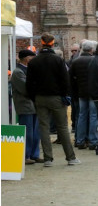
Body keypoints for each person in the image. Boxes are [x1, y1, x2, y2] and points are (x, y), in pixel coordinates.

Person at [26, 32, 81, 167]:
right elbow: (65, 80)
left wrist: (34, 97)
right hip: (56, 97)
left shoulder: (34, 61)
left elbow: (29, 83)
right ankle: (70, 157)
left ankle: (48, 159)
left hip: (40, 98)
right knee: (62, 127)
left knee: (43, 128)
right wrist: (65, 95)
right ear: (52, 43)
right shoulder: (57, 60)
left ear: (41, 43)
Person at [11, 49, 43, 164]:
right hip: (25, 106)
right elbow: (25, 89)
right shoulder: (18, 72)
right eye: (31, 58)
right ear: (26, 58)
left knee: (35, 132)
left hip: (34, 105)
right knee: (28, 132)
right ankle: (26, 155)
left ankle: (34, 154)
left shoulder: (29, 70)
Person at [69, 41, 98, 150]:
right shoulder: (94, 60)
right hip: (93, 92)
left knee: (81, 116)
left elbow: (71, 78)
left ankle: (80, 140)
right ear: (91, 49)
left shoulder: (76, 61)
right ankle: (93, 141)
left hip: (80, 92)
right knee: (93, 116)